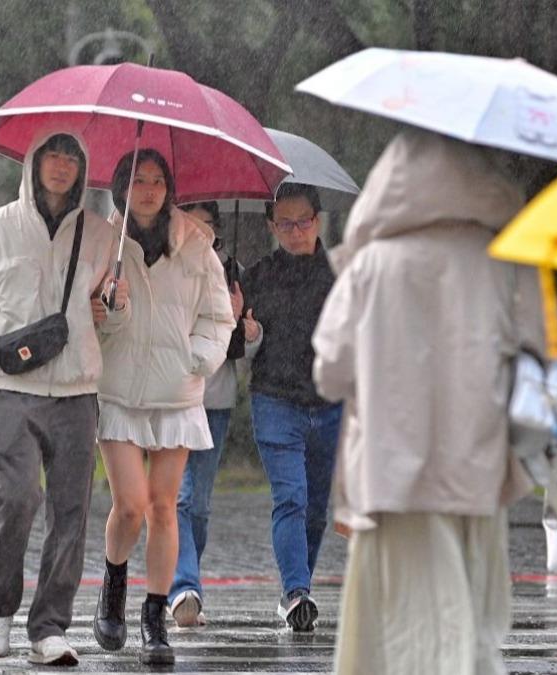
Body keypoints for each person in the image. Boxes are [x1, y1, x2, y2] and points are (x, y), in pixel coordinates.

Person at [312, 130, 542, 674]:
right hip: (476, 473)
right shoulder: (504, 258)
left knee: (399, 635)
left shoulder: (371, 267)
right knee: (466, 624)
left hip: (392, 480)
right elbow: (534, 353)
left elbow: (328, 371)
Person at [0, 130, 123, 667]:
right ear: (32, 161)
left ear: (82, 167)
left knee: (72, 512)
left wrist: (112, 310)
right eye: (53, 153)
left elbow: (119, 321)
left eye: (73, 155)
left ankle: (50, 626)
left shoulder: (101, 236)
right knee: (17, 498)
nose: (62, 164)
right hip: (12, 391)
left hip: (78, 392)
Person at [93, 150, 234, 665]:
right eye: (137, 180)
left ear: (169, 188)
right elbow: (91, 321)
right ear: (120, 187)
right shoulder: (103, 243)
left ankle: (155, 619)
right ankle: (113, 585)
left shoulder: (196, 245)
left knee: (164, 507)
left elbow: (220, 317)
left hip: (176, 393)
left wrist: (198, 357)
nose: (148, 190)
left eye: (157, 181)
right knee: (129, 504)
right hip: (120, 390)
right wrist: (113, 306)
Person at [238, 181, 340, 632]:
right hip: (275, 401)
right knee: (291, 498)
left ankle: (298, 588)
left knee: (316, 508)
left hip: (331, 404)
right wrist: (244, 326)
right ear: (271, 226)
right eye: (284, 224)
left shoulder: (341, 276)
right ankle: (296, 590)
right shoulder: (256, 278)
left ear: (318, 222)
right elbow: (235, 345)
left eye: (302, 222)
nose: (295, 231)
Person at [167, 201, 257, 627]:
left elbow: (247, 346)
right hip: (174, 397)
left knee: (199, 503)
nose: (197, 232)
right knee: (180, 497)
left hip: (216, 400)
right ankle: (183, 586)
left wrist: (241, 323)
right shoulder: (163, 263)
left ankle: (187, 580)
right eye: (190, 223)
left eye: (205, 225)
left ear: (217, 230)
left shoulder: (232, 270)